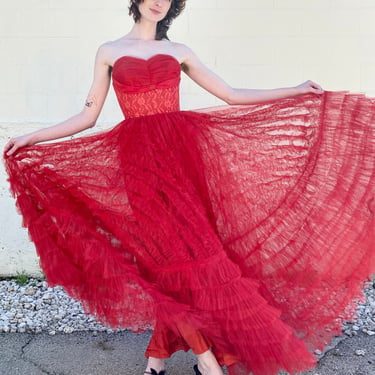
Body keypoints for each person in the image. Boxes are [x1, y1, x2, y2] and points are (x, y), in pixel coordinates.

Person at [3, 1, 375, 375]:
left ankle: (157, 361)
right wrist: (33, 137)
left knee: (188, 258)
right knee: (167, 260)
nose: (159, 0)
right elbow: (88, 114)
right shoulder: (109, 51)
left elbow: (230, 94)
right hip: (140, 167)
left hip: (183, 161)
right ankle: (206, 360)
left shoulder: (179, 52)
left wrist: (293, 91)